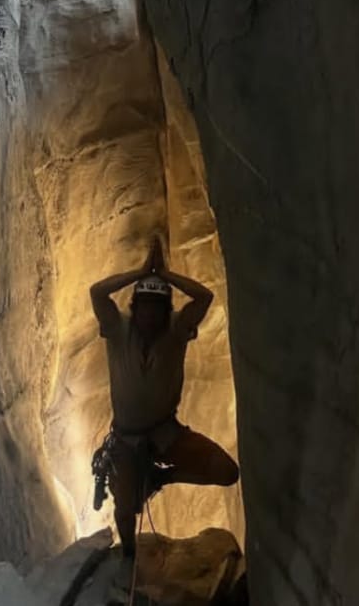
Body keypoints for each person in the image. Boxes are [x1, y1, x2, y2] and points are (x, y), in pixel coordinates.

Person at [89, 234, 239, 564]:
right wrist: (141, 272)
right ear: (135, 307)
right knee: (125, 508)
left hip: (165, 432)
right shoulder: (117, 329)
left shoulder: (177, 330)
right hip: (126, 439)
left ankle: (160, 477)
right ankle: (129, 556)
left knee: (226, 471)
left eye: (157, 308)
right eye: (145, 306)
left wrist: (165, 274)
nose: (150, 315)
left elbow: (204, 297)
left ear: (165, 311)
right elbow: (98, 292)